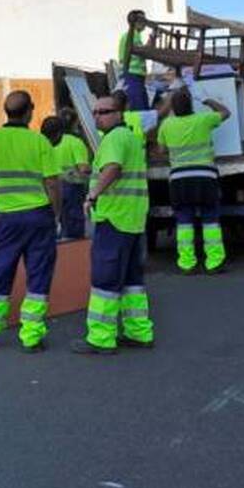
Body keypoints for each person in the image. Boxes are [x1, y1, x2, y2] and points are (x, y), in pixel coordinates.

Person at [0, 91, 62, 352]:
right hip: (38, 217)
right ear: (29, 111)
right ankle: (31, 336)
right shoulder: (39, 142)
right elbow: (52, 183)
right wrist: (55, 215)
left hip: (6, 220)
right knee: (39, 275)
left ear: (6, 111)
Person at [72, 95, 155, 355]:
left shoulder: (114, 139)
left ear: (120, 113)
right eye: (95, 112)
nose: (98, 117)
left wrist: (92, 194)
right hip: (132, 219)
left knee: (105, 280)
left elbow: (113, 169)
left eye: (104, 112)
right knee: (132, 280)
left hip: (114, 218)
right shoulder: (131, 137)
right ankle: (139, 332)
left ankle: (101, 338)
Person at [156, 88, 231, 274]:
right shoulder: (204, 119)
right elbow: (226, 113)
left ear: (173, 107)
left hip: (179, 180)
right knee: (210, 220)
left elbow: (161, 151)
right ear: (191, 104)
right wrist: (207, 100)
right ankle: (214, 261)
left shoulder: (167, 125)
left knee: (183, 221)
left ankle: (187, 263)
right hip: (205, 178)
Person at [44, 112, 91, 239]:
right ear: (75, 123)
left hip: (49, 187)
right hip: (71, 190)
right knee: (73, 232)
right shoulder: (76, 142)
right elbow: (83, 168)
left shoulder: (46, 142)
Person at [119, 10, 151, 111]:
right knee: (140, 109)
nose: (145, 23)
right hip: (133, 75)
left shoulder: (132, 35)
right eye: (143, 20)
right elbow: (143, 52)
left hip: (134, 76)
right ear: (135, 22)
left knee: (142, 107)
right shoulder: (133, 35)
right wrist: (152, 39)